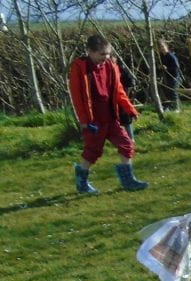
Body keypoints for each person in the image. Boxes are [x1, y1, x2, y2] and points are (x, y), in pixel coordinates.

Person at [68, 34, 148, 194]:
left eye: (107, 54)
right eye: (101, 54)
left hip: (111, 117)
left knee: (127, 144)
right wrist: (83, 120)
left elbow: (118, 90)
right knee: (92, 151)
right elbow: (76, 96)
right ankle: (81, 182)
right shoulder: (79, 68)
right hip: (93, 120)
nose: (105, 58)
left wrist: (129, 107)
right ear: (90, 51)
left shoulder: (111, 66)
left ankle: (128, 180)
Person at [158, 39, 181, 111]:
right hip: (166, 77)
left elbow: (176, 67)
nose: (162, 48)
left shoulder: (171, 56)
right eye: (160, 47)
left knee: (173, 92)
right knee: (167, 92)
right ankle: (169, 107)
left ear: (166, 46)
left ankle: (176, 108)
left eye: (163, 46)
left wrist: (167, 68)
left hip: (174, 76)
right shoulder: (161, 56)